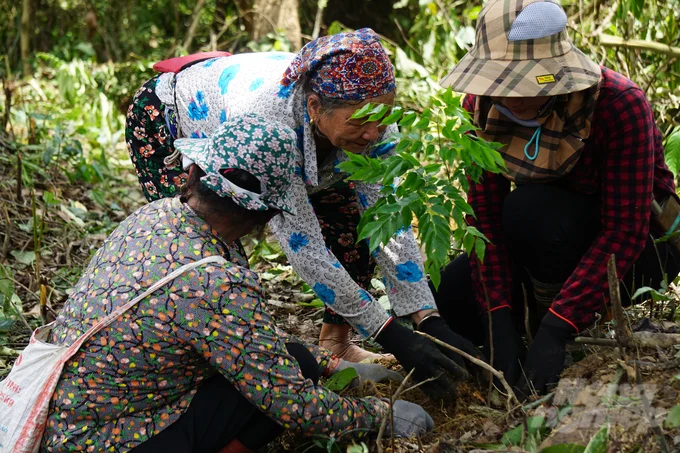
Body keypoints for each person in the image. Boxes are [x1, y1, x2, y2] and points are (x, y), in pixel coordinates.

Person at [126, 29, 483, 403]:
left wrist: (427, 317)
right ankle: (222, 365)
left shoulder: (373, 117)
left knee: (351, 222)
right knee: (211, 252)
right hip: (167, 117)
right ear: (315, 107)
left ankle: (336, 345)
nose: (373, 133)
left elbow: (387, 221)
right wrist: (391, 333)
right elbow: (304, 245)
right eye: (359, 123)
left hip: (293, 129)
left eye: (383, 117)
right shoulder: (271, 123)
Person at [40, 115, 433, 453]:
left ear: (193, 173)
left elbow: (246, 338)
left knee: (299, 359)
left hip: (66, 420)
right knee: (283, 387)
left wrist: (332, 363)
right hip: (116, 439)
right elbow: (292, 403)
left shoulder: (152, 216)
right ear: (266, 218)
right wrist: (383, 415)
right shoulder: (218, 284)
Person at [432, 0, 680, 399]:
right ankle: (525, 325)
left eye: (527, 83)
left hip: (634, 254)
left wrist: (557, 327)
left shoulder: (618, 105)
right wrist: (499, 320)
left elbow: (625, 231)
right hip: (542, 251)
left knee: (532, 212)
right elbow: (486, 223)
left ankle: (557, 320)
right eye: (502, 82)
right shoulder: (479, 109)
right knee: (451, 296)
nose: (513, 96)